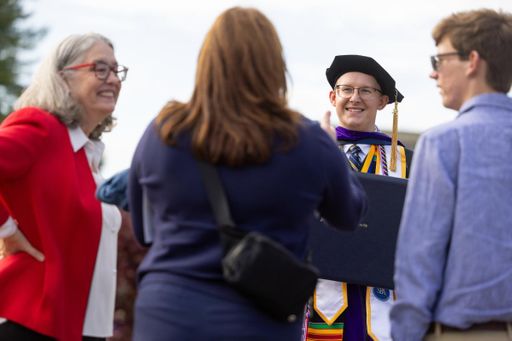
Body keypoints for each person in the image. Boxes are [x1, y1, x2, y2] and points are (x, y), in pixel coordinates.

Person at [128, 7, 366, 340]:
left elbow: (143, 230)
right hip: (259, 317)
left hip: (169, 313)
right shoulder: (306, 140)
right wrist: (334, 152)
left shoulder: (163, 132)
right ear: (275, 66)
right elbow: (348, 214)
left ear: (206, 62)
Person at [390, 8, 512, 341]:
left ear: (472, 61)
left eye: (439, 60)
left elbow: (420, 262)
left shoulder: (444, 143)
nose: (434, 73)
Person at [0, 33, 128, 341]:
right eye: (99, 68)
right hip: (31, 325)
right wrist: (6, 230)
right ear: (63, 78)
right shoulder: (40, 128)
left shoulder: (86, 154)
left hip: (83, 331)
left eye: (116, 70)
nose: (112, 79)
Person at [305, 55, 413, 341]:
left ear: (383, 102)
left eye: (366, 90)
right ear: (333, 96)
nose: (355, 98)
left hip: (386, 302)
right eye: (346, 89)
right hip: (323, 302)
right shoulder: (309, 154)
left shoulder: (409, 163)